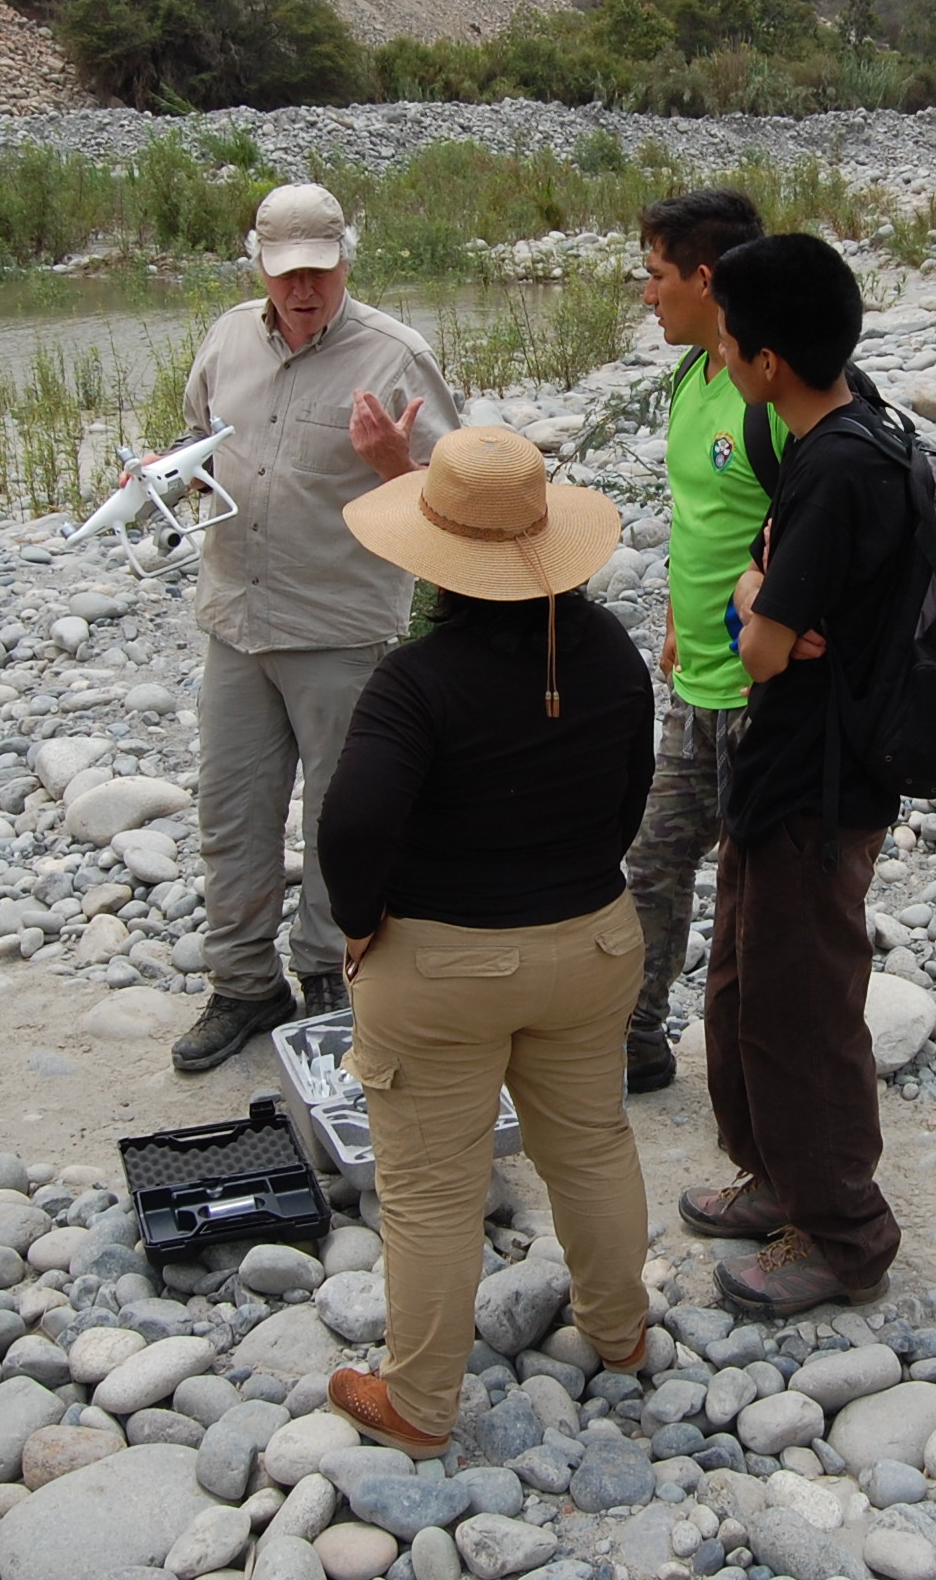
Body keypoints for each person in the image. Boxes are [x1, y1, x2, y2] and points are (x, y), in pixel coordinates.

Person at [315, 427, 656, 1455]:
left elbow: (350, 825)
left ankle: (418, 1403)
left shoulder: (413, 679)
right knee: (591, 1141)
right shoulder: (608, 651)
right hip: (593, 941)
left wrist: (361, 918)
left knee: (429, 1190)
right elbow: (629, 792)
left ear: (434, 557)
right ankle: (620, 1332)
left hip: (443, 964)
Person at [170, 182, 461, 1076]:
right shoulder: (226, 337)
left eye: (320, 272)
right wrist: (170, 474)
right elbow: (196, 439)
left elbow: (459, 494)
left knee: (342, 819)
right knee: (230, 814)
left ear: (347, 258)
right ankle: (243, 985)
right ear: (258, 262)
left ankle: (330, 970)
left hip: (340, 627)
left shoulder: (396, 355)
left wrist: (392, 465)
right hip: (234, 619)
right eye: (287, 272)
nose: (303, 290)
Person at [683, 234, 911, 1314]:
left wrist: (747, 598)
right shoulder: (840, 424)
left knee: (801, 1007)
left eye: (728, 341)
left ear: (768, 360)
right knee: (742, 983)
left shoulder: (835, 466)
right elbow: (772, 614)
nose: (719, 356)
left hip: (816, 790)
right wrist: (759, 587)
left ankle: (843, 1234)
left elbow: (762, 646)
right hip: (781, 774)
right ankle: (773, 1175)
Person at [622, 188, 773, 1093]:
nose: (647, 297)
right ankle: (637, 1038)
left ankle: (759, 1072)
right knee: (652, 859)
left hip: (765, 692)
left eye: (655, 275)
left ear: (706, 279)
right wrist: (679, 617)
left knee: (758, 894)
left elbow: (809, 525)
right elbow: (701, 514)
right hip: (697, 684)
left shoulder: (768, 389)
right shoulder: (692, 378)